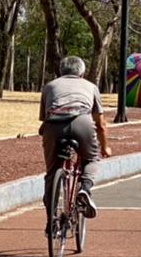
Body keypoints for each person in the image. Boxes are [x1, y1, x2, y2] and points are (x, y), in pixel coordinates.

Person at [39, 56, 111, 224]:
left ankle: (51, 221)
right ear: (82, 73)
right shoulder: (91, 87)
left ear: (61, 71)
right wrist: (105, 147)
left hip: (54, 126)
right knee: (92, 158)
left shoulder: (49, 86)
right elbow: (100, 124)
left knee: (52, 172)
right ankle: (85, 189)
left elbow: (44, 119)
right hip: (82, 123)